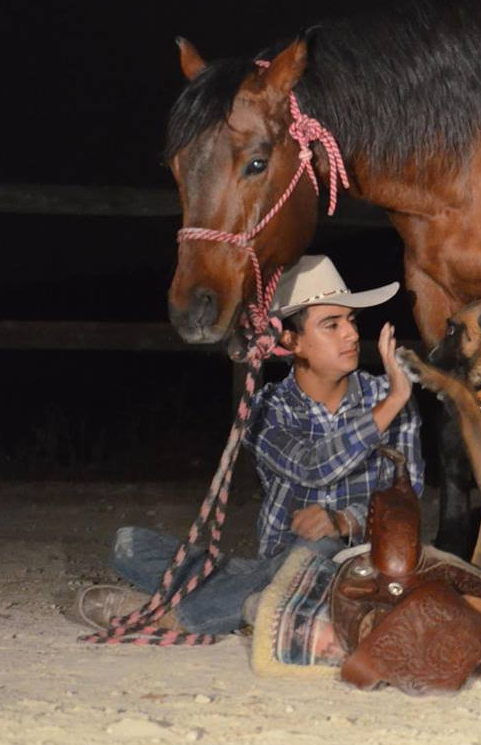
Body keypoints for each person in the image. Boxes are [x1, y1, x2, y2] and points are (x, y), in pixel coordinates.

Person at [73, 255, 424, 636]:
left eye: (351, 321)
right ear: (292, 341)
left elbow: (410, 496)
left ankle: (175, 615)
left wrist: (344, 520)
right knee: (129, 544)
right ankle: (261, 604)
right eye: (331, 324)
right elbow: (312, 467)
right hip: (275, 563)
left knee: (319, 553)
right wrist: (387, 409)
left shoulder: (388, 397)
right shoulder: (266, 408)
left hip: (358, 561)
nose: (352, 335)